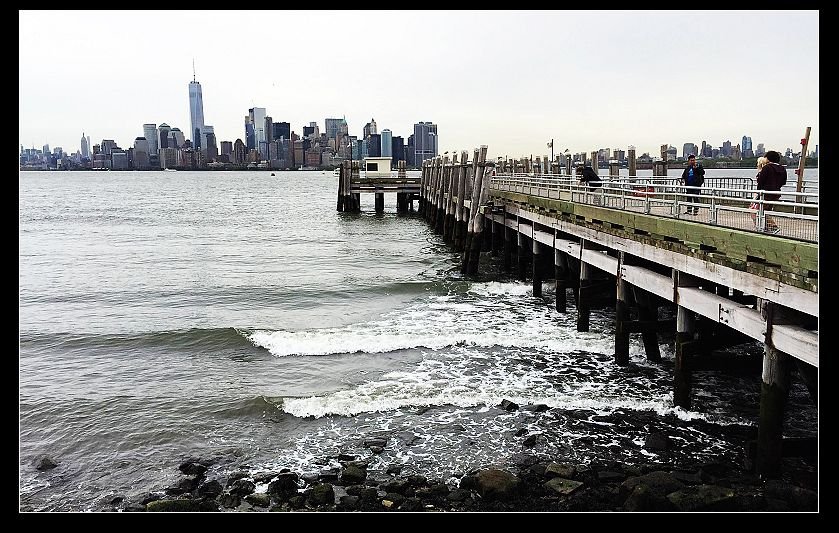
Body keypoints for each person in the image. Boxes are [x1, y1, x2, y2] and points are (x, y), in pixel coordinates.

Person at [755, 150, 787, 234]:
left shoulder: (767, 167)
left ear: (768, 158)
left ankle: (773, 227)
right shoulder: (782, 168)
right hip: (776, 193)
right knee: (767, 210)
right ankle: (766, 228)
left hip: (766, 193)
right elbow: (783, 182)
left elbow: (761, 181)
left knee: (760, 210)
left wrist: (758, 192)